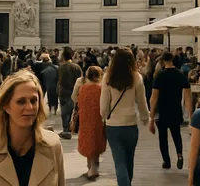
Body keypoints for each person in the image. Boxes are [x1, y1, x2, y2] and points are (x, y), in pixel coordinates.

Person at [0, 70, 65, 186]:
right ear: (6, 105)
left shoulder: (53, 145)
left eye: (33, 101)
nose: (29, 107)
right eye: (21, 102)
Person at [100, 47, 150, 186]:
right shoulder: (136, 77)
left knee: (119, 162)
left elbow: (104, 104)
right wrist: (145, 118)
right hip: (130, 124)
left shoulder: (108, 77)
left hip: (113, 125)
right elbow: (142, 101)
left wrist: (104, 115)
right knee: (129, 160)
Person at [149, 51, 193, 170]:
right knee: (176, 134)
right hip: (176, 110)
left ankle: (166, 161)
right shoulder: (180, 75)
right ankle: (179, 154)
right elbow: (188, 97)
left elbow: (154, 98)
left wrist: (151, 117)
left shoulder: (159, 76)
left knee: (163, 138)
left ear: (163, 61)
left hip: (163, 111)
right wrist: (191, 116)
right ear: (172, 60)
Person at [77, 66, 108, 179]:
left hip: (85, 119)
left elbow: (75, 99)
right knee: (97, 141)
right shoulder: (101, 89)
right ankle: (94, 167)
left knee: (88, 141)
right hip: (98, 118)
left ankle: (90, 167)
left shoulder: (83, 88)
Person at [57, 46, 81, 140]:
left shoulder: (60, 67)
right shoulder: (77, 67)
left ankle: (66, 129)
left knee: (64, 112)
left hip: (63, 92)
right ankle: (72, 128)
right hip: (73, 91)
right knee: (73, 111)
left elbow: (58, 81)